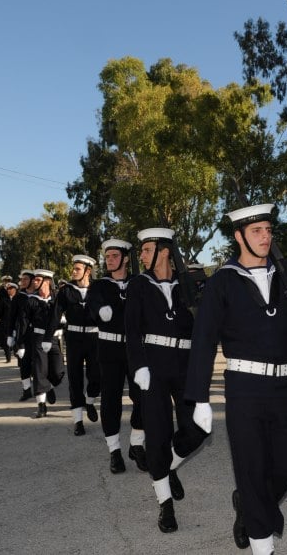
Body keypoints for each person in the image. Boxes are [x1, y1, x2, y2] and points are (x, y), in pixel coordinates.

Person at [185, 204, 287, 555]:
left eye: (268, 229)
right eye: (256, 231)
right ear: (239, 236)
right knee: (252, 467)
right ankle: (262, 544)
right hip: (244, 388)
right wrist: (198, 398)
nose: (265, 236)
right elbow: (204, 341)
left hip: (285, 386)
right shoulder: (223, 281)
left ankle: (249, 504)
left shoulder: (285, 277)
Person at [125, 228, 208, 534]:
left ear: (164, 251)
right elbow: (131, 330)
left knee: (198, 428)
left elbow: (205, 326)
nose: (142, 255)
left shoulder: (188, 283)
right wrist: (139, 366)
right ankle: (165, 504)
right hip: (154, 367)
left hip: (185, 365)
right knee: (158, 432)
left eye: (147, 250)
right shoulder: (138, 285)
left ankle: (169, 465)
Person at [86, 239, 147, 474]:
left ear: (124, 258)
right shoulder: (99, 286)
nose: (109, 260)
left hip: (135, 350)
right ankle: (114, 451)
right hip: (109, 351)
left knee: (143, 397)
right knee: (110, 401)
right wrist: (100, 310)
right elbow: (93, 305)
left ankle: (137, 443)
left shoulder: (138, 283)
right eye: (107, 256)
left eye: (114, 256)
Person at [54, 255, 101, 436]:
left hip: (94, 338)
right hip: (73, 338)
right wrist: (52, 332)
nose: (73, 272)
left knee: (96, 376)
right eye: (73, 269)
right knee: (74, 378)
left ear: (88, 271)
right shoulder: (66, 291)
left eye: (77, 269)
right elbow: (55, 313)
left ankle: (89, 400)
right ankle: (78, 421)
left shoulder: (98, 289)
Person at [15, 269, 65, 419]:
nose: (34, 282)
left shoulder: (57, 299)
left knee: (58, 371)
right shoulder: (31, 301)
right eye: (34, 279)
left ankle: (49, 385)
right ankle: (41, 406)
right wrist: (20, 344)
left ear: (47, 282)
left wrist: (64, 321)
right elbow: (22, 324)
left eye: (38, 280)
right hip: (37, 338)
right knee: (39, 370)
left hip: (54, 338)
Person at [8, 270, 37, 401]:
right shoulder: (18, 297)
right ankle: (26, 390)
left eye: (25, 279)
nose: (23, 282)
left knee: (39, 364)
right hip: (22, 336)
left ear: (32, 280)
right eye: (22, 279)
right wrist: (10, 335)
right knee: (24, 364)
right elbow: (12, 317)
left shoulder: (39, 295)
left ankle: (41, 387)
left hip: (37, 335)